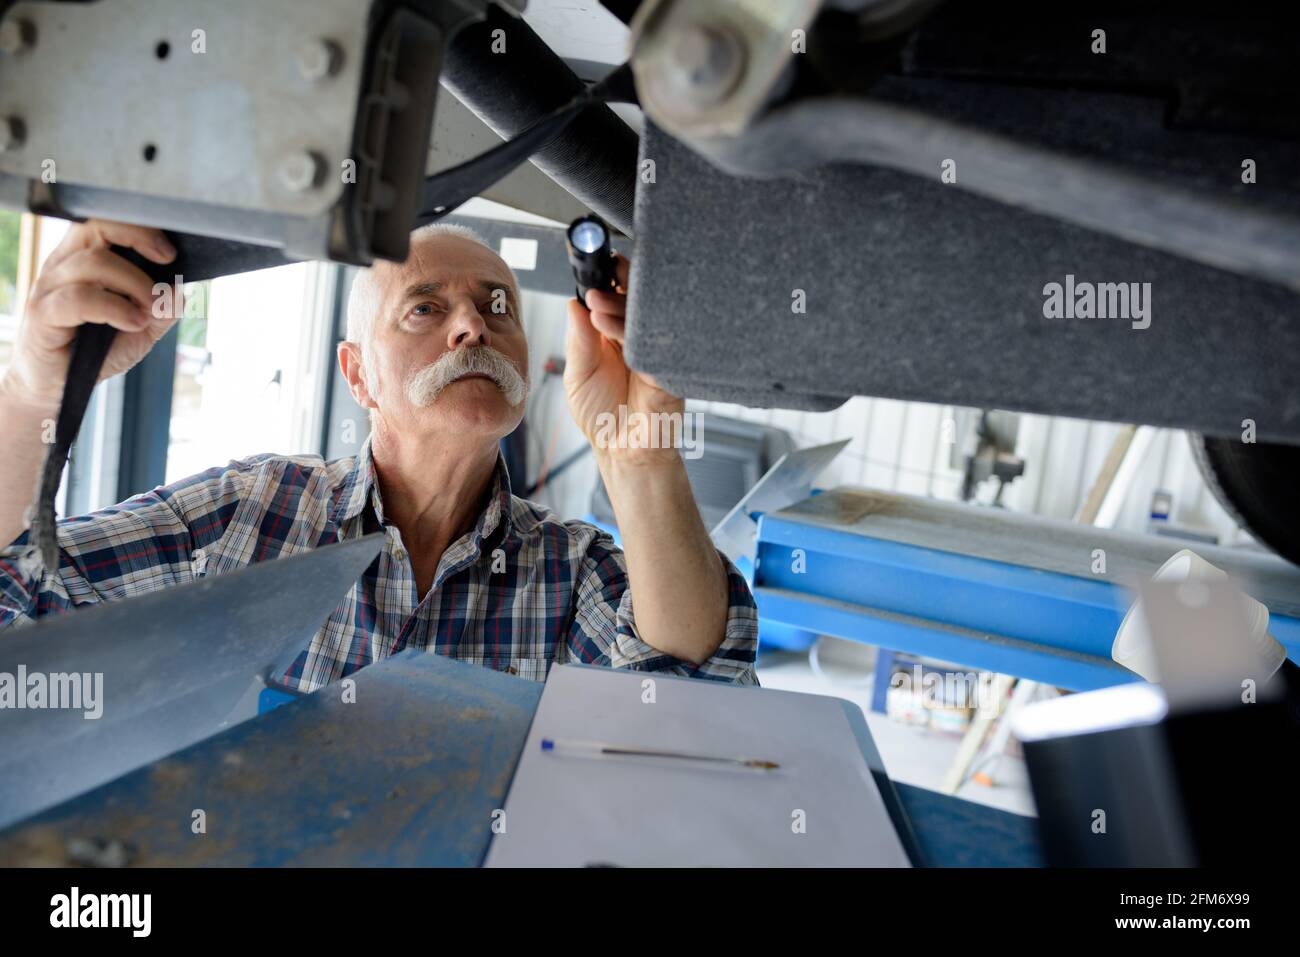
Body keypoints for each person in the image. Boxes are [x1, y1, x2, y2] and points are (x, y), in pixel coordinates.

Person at [0, 219, 758, 689]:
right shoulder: (246, 516)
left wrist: (640, 454)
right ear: (356, 372)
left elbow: (697, 685)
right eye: (426, 307)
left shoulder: (568, 573)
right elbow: (17, 594)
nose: (473, 327)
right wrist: (35, 390)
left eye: (498, 307)